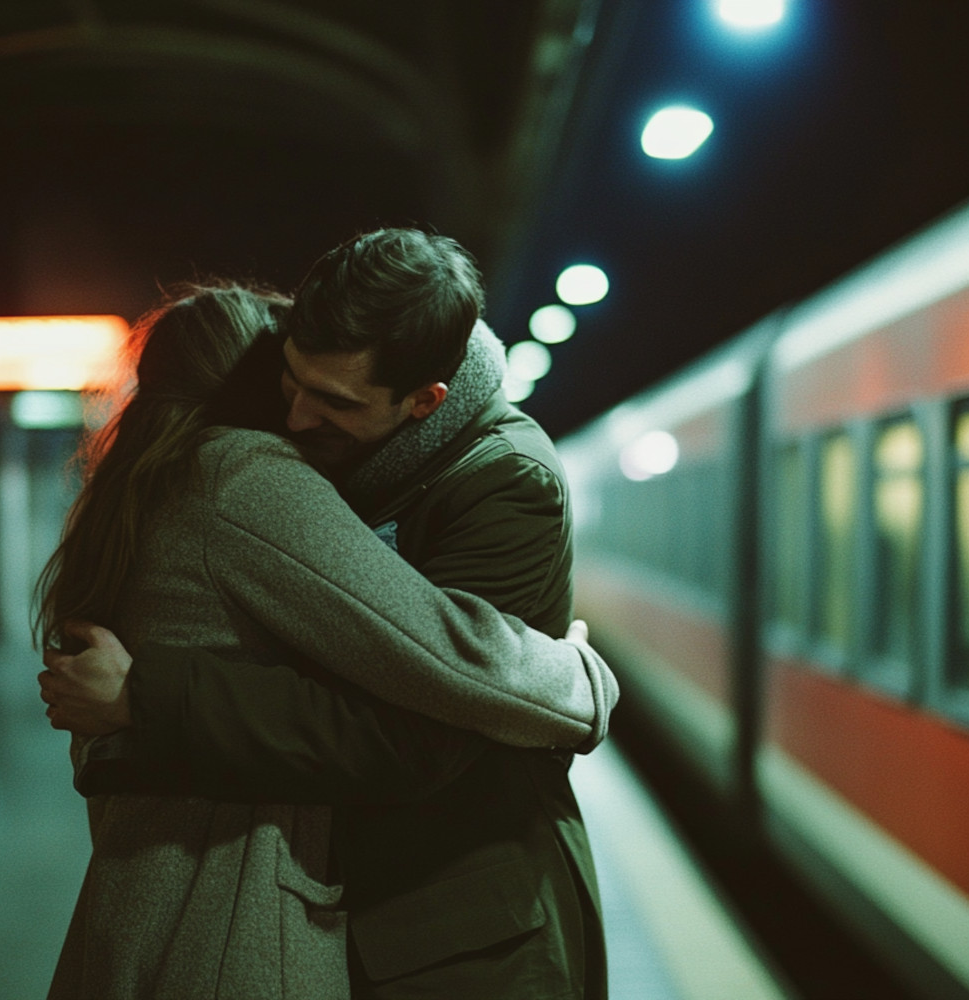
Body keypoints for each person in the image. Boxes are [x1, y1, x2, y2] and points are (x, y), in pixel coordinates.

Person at [42, 229, 610, 999]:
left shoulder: (504, 484)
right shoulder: (286, 467)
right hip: (317, 904)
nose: (301, 418)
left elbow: (418, 737)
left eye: (335, 401)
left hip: (466, 931)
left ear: (424, 401)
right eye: (290, 383)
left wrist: (148, 698)